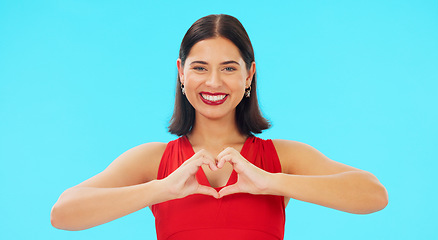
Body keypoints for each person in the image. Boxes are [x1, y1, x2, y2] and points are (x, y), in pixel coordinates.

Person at [50, 14, 388, 240]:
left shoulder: (282, 157)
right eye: (200, 67)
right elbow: (63, 213)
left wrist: (270, 181)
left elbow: (373, 193)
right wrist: (160, 190)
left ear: (249, 75)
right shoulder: (152, 162)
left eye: (228, 68)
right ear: (182, 72)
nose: (214, 82)